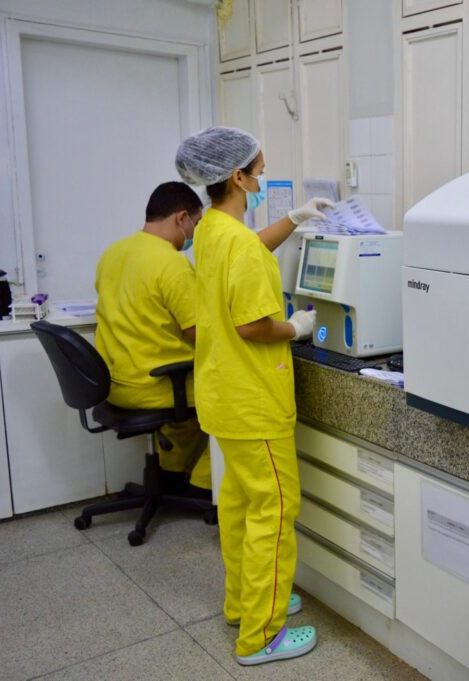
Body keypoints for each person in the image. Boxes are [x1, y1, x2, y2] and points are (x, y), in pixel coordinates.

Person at [175, 126, 332, 665]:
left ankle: (245, 603)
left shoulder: (210, 230)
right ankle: (261, 636)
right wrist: (297, 326)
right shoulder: (235, 243)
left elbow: (249, 249)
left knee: (242, 507)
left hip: (221, 396)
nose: (263, 183)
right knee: (275, 511)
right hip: (254, 402)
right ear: (238, 177)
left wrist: (296, 219)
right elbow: (253, 326)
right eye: (259, 174)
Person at [95, 181, 211, 492]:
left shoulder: (113, 253)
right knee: (234, 395)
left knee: (189, 393)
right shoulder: (172, 265)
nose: (195, 233)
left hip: (113, 384)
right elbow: (201, 335)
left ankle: (171, 475)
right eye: (196, 223)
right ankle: (202, 485)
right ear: (181, 218)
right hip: (153, 387)